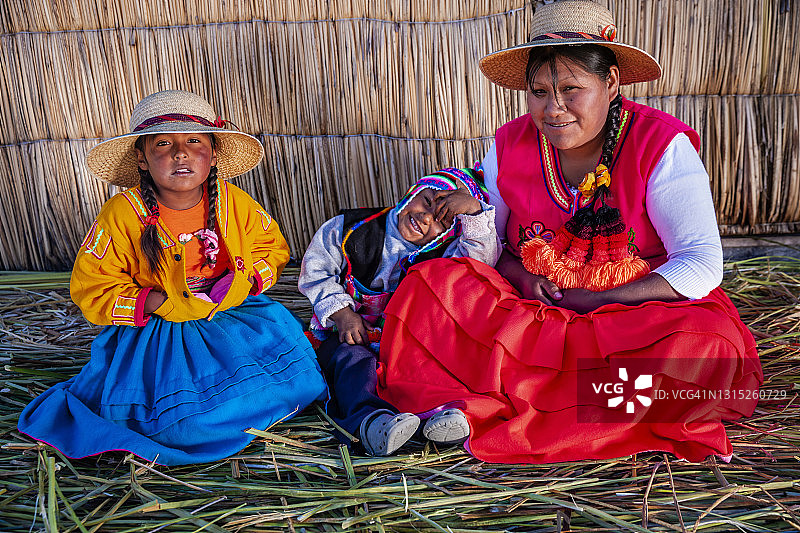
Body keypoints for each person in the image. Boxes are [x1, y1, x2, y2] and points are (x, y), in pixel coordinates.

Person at [376, 0, 763, 464]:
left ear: (612, 82)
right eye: (538, 91)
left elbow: (702, 264)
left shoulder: (660, 145)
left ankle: (508, 399)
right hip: (532, 311)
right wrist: (522, 280)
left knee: (705, 349)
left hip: (637, 317)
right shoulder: (511, 144)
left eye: (571, 89)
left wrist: (598, 301)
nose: (553, 109)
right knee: (431, 286)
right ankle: (584, 402)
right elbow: (492, 244)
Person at [17, 90, 327, 466]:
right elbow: (92, 284)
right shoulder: (122, 214)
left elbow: (272, 249)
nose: (180, 152)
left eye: (194, 141)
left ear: (212, 155)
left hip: (228, 315)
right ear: (142, 160)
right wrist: (154, 301)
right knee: (180, 423)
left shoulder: (234, 203)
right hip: (161, 332)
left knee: (305, 379)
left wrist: (240, 280)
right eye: (163, 143)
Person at [299, 168, 501, 455]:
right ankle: (371, 424)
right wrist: (342, 313)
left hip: (405, 346)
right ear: (412, 191)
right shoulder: (349, 229)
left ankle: (445, 415)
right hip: (349, 337)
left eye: (441, 221)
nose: (426, 218)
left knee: (435, 369)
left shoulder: (442, 255)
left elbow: (480, 265)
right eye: (427, 201)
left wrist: (474, 211)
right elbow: (316, 270)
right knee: (355, 367)